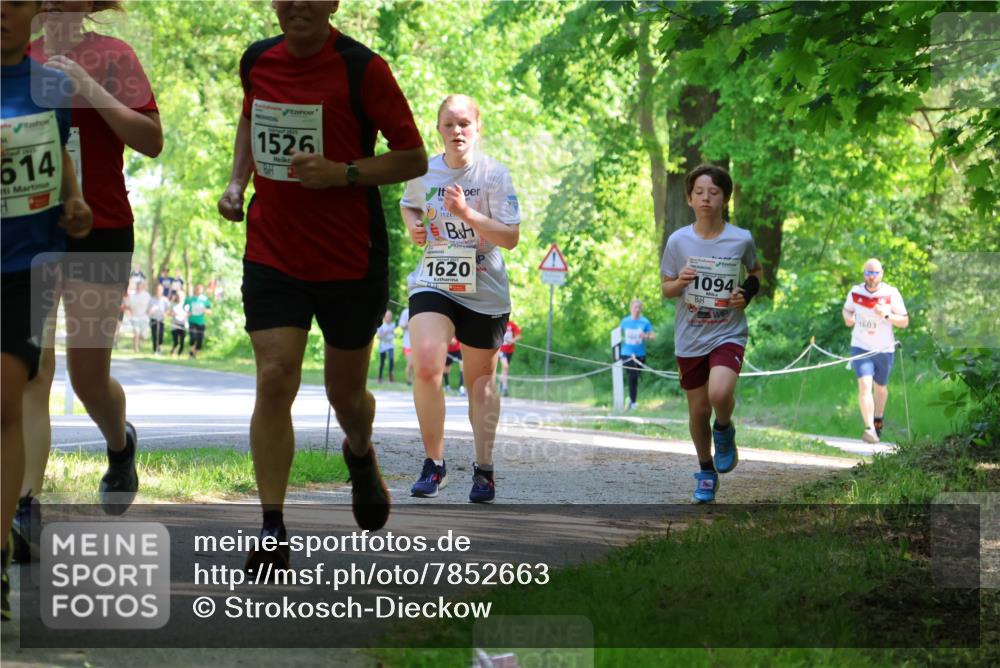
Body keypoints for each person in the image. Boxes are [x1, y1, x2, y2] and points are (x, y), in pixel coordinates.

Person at [217, 0, 426, 569]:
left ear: (332, 3)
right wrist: (237, 182)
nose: (297, 4)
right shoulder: (257, 60)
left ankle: (360, 451)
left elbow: (413, 157)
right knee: (274, 374)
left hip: (347, 255)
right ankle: (272, 527)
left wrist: (345, 172)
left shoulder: (363, 68)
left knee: (346, 396)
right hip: (273, 249)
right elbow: (248, 119)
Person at [16, 0, 162, 555]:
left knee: (86, 375)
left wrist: (88, 86)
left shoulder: (113, 56)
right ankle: (27, 507)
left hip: (101, 230)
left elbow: (151, 140)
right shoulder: (12, 56)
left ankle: (119, 444)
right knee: (35, 366)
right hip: (30, 234)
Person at [2, 0, 92, 618]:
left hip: (24, 266)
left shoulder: (51, 86)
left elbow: (62, 166)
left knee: (5, 402)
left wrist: (78, 205)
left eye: (13, 2)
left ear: (34, 11)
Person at [401, 94, 521, 504]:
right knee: (428, 362)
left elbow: (511, 237)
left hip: (483, 281)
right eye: (449, 124)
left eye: (465, 123)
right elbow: (409, 207)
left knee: (480, 382)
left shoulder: (494, 175)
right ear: (438, 129)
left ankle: (483, 468)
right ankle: (434, 465)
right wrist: (416, 228)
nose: (457, 131)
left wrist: (468, 214)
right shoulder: (424, 172)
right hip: (435, 275)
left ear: (477, 127)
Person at [660, 165, 763, 503]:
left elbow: (756, 272)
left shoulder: (741, 238)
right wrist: (681, 281)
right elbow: (666, 288)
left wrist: (745, 293)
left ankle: (725, 428)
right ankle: (705, 470)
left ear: (725, 199)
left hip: (727, 332)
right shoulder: (678, 241)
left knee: (720, 394)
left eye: (714, 192)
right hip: (690, 336)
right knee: (698, 409)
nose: (706, 198)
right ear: (689, 198)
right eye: (699, 192)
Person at [842, 258, 909, 443]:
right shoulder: (856, 292)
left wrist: (886, 314)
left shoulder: (891, 293)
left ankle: (878, 419)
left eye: (875, 273)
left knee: (880, 389)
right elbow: (846, 310)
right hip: (861, 346)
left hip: (884, 349)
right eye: (868, 273)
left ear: (881, 274)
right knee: (864, 385)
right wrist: (848, 319)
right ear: (864, 273)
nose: (871, 277)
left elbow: (904, 321)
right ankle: (870, 428)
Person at [620, 299, 655, 410]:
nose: (637, 310)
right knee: (633, 375)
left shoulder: (645, 322)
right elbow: (617, 334)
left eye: (639, 308)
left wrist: (645, 336)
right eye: (635, 307)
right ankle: (633, 403)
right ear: (631, 308)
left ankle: (630, 399)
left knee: (635, 377)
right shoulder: (625, 321)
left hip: (640, 354)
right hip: (626, 354)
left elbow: (653, 336)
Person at [184, 283, 212, 359]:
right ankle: (191, 354)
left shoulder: (205, 299)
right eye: (197, 288)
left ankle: (194, 354)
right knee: (193, 337)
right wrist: (187, 312)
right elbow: (185, 307)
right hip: (192, 321)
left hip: (201, 322)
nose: (198, 290)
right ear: (194, 289)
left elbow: (210, 311)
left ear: (202, 290)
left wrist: (205, 310)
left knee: (200, 340)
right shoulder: (190, 298)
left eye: (200, 288)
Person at [497, 319, 521, 397]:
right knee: (505, 366)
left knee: (505, 369)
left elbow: (519, 336)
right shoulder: (498, 324)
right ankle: (505, 387)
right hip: (500, 350)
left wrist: (513, 340)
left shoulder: (511, 324)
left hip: (510, 351)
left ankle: (501, 382)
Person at [126, 279, 151, 353]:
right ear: (136, 287)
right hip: (135, 317)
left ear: (143, 287)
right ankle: (135, 348)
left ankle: (139, 343)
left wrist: (150, 310)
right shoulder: (132, 295)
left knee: (143, 335)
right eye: (138, 286)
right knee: (136, 332)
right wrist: (129, 313)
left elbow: (150, 305)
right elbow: (128, 306)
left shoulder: (147, 295)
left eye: (141, 286)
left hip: (144, 318)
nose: (139, 288)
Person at [147, 283, 169, 354]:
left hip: (161, 320)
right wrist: (151, 310)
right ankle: (155, 350)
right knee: (154, 335)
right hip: (153, 319)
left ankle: (159, 348)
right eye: (157, 289)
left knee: (160, 335)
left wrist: (165, 313)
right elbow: (148, 311)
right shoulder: (152, 299)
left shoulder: (165, 300)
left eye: (160, 290)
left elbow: (168, 310)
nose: (158, 291)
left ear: (162, 291)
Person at [375, 310, 396, 383]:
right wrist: (383, 334)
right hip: (383, 346)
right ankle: (380, 377)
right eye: (387, 316)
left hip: (390, 345)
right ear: (385, 317)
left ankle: (390, 376)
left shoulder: (393, 324)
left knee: (391, 359)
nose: (389, 318)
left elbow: (394, 334)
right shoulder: (381, 325)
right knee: (382, 362)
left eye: (390, 316)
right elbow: (378, 336)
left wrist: (394, 334)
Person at [168, 290, 187, 357]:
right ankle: (172, 351)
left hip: (183, 324)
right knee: (176, 341)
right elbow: (169, 313)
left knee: (182, 342)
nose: (179, 297)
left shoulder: (185, 305)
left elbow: (188, 314)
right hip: (174, 325)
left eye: (180, 296)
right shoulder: (173, 304)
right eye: (178, 296)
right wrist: (172, 314)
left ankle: (179, 354)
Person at [398, 306, 413, 385]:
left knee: (415, 364)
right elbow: (401, 325)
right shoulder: (405, 312)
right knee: (410, 363)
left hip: (417, 344)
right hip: (407, 344)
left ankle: (412, 380)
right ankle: (408, 380)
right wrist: (409, 321)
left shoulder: (420, 310)